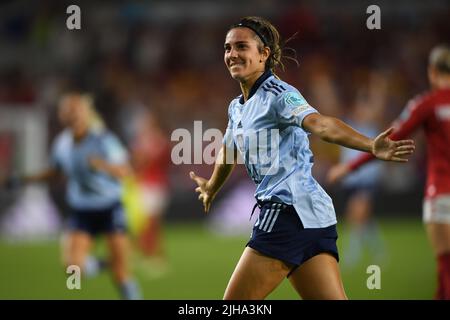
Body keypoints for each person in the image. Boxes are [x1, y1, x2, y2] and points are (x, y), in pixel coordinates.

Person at [189, 16, 415, 300]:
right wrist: (212, 185)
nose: (232, 54)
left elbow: (320, 124)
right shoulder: (237, 107)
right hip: (312, 217)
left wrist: (370, 144)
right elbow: (229, 149)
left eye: (241, 46)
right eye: (227, 47)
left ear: (264, 54)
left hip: (286, 213)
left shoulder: (279, 95)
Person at [327, 45, 450, 300]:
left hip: (441, 193)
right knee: (359, 215)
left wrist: (349, 167)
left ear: (431, 71)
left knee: (446, 271)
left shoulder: (426, 103)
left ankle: (363, 252)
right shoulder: (357, 118)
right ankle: (368, 250)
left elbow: (389, 141)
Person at [15, 92, 141, 300]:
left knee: (121, 273)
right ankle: (100, 267)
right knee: (72, 270)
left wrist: (102, 165)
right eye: (66, 111)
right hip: (82, 211)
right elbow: (55, 173)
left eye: (75, 110)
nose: (70, 115)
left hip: (109, 208)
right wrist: (24, 179)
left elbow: (125, 170)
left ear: (85, 114)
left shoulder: (103, 140)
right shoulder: (62, 143)